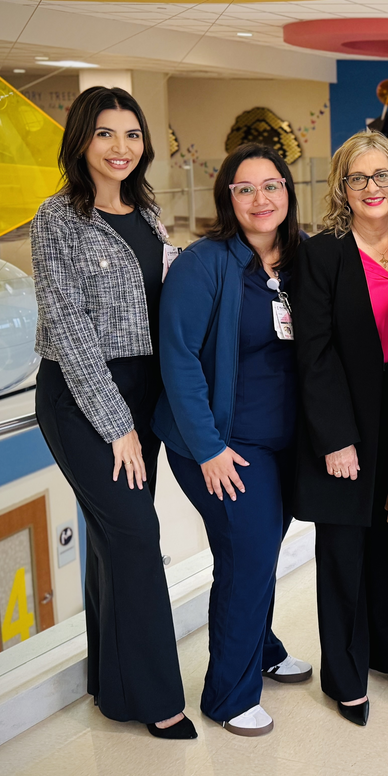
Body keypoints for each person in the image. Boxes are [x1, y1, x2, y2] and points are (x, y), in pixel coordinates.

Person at [30, 85, 193, 739]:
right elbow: (67, 330)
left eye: (131, 134)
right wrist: (116, 424)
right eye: (105, 133)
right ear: (81, 141)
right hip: (82, 397)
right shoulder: (57, 219)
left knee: (112, 540)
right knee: (135, 536)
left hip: (143, 390)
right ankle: (159, 700)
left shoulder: (148, 213)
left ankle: (112, 686)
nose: (121, 147)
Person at [152, 144, 312, 737]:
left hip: (281, 446)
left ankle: (261, 647)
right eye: (244, 189)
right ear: (227, 198)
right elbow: (179, 360)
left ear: (289, 194)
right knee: (246, 558)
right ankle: (228, 692)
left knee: (259, 554)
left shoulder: (299, 262)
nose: (260, 199)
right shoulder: (205, 264)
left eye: (271, 186)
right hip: (221, 446)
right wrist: (210, 448)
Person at [290, 132, 388, 727]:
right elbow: (313, 354)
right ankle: (344, 674)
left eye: (383, 177)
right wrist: (335, 436)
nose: (372, 188)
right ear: (342, 190)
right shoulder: (322, 255)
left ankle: (386, 652)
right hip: (345, 417)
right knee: (343, 550)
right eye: (358, 179)